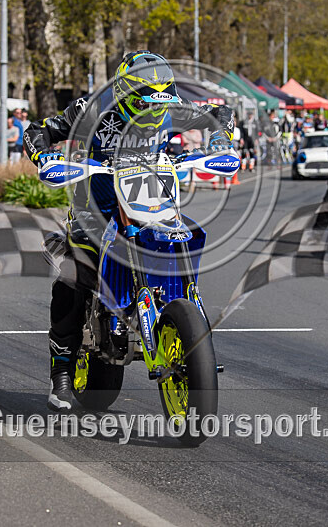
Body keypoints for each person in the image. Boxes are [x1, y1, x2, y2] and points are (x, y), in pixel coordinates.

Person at [24, 50, 235, 412]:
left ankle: (189, 332)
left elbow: (221, 113)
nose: (156, 111)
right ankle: (60, 372)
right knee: (74, 279)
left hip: (154, 203)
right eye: (145, 101)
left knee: (182, 243)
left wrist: (220, 141)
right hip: (95, 209)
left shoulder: (170, 106)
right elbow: (38, 132)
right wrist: (46, 158)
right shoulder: (91, 111)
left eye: (162, 100)